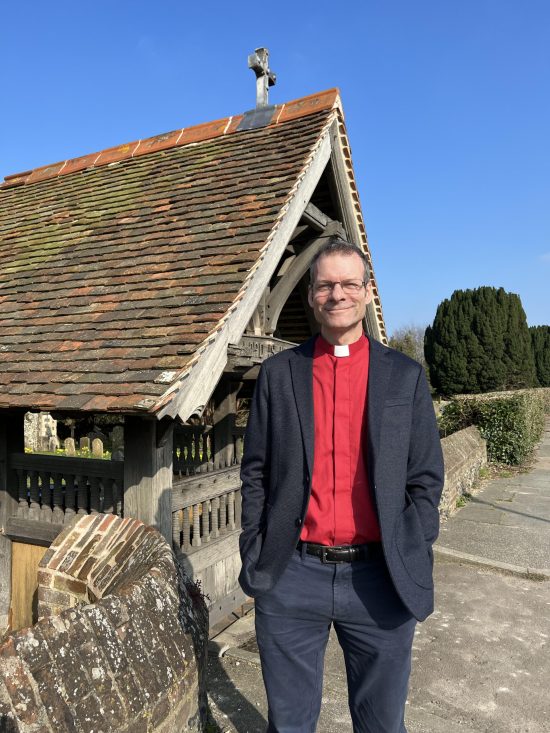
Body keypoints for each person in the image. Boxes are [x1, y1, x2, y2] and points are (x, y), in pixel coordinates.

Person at [239, 237, 444, 733]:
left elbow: (426, 478)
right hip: (292, 573)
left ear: (368, 292)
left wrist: (411, 543)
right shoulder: (278, 374)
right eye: (326, 285)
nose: (338, 294)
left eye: (349, 284)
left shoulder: (404, 377)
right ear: (311, 295)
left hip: (381, 579)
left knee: (381, 723)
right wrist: (255, 546)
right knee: (288, 723)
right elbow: (256, 472)